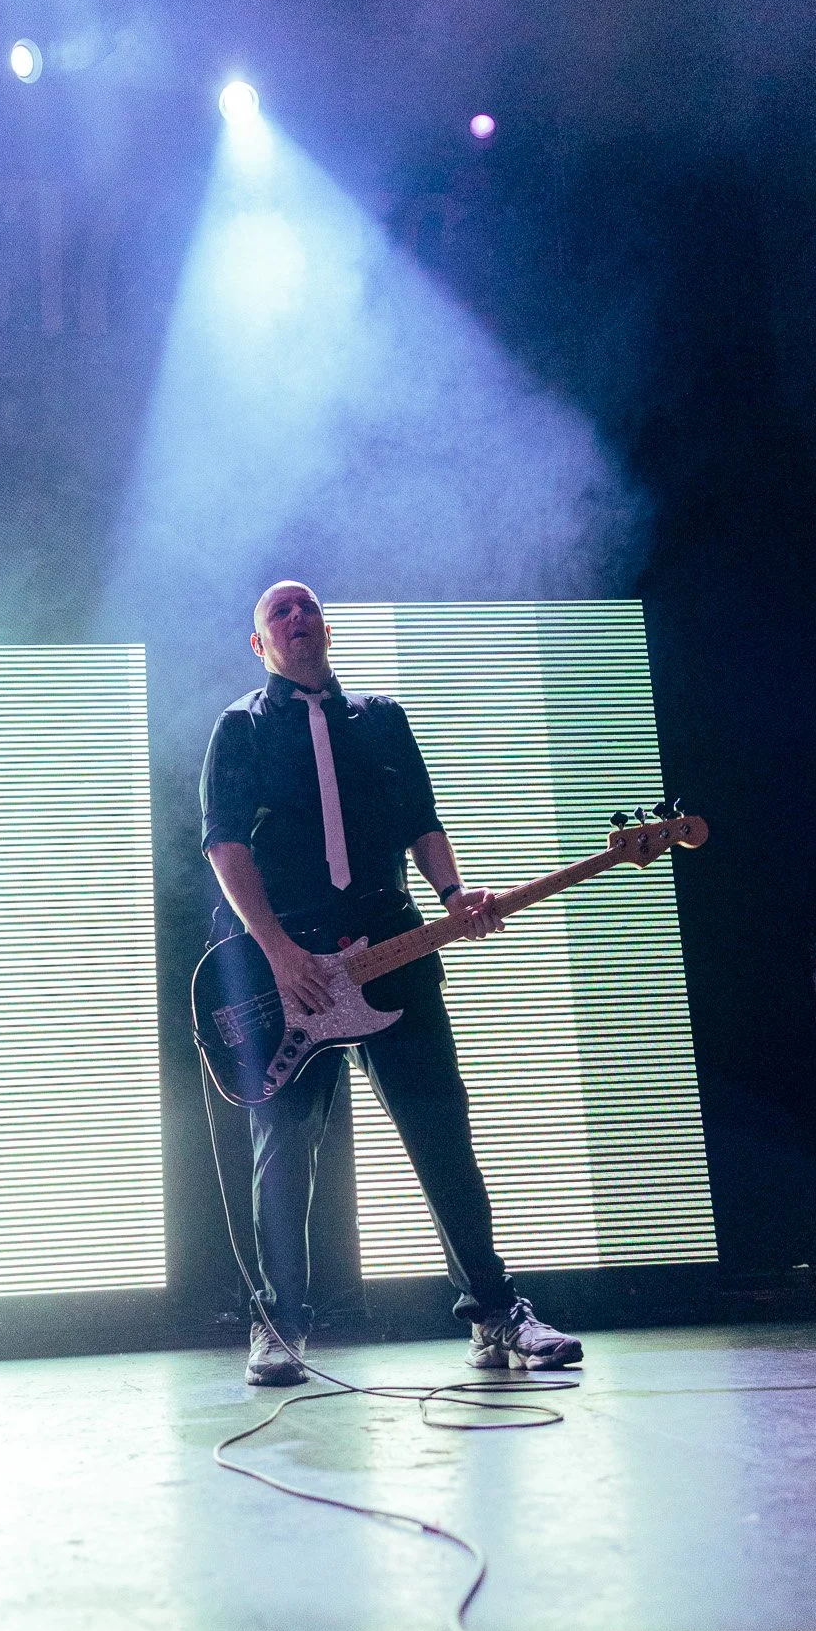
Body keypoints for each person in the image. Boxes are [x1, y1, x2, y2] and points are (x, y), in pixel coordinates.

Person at [200, 580, 584, 1387]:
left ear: (328, 629)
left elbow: (421, 819)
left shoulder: (381, 718)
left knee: (442, 1136)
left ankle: (494, 1314)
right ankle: (277, 1326)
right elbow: (226, 846)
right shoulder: (239, 727)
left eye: (307, 608)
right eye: (279, 612)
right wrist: (275, 952)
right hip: (292, 966)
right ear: (258, 643)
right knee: (284, 1156)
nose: (296, 618)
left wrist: (454, 899)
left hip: (395, 949)